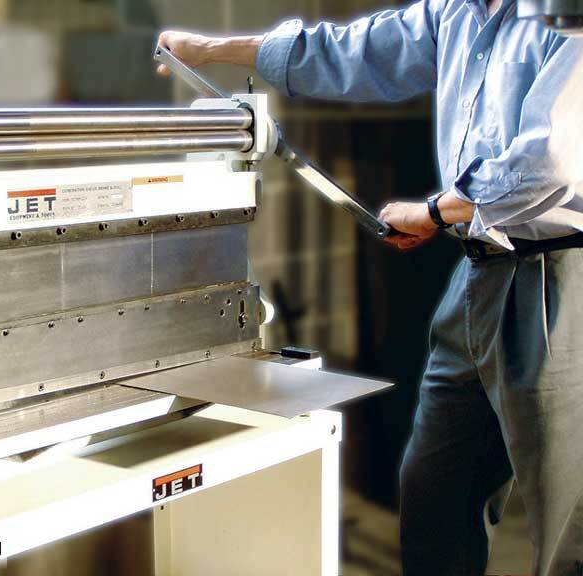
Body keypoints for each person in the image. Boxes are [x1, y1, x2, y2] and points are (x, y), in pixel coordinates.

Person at [158, 2, 583, 575]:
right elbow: (350, 52)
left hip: (558, 276)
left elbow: (550, 161)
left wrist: (435, 211)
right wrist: (209, 50)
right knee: (436, 497)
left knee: (565, 526)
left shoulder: (565, 16)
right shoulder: (455, 13)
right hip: (477, 274)